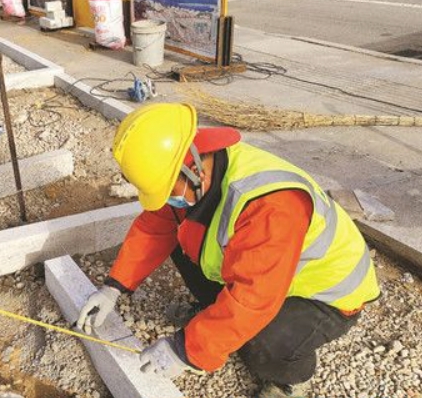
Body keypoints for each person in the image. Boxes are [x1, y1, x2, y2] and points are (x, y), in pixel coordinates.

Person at [76, 103, 380, 398]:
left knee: (262, 341)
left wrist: (185, 350)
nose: (168, 200)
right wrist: (114, 287)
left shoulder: (270, 207)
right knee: (181, 237)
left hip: (325, 296)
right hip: (268, 273)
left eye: (168, 192)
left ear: (194, 170)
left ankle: (290, 380)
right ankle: (216, 319)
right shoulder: (195, 172)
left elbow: (253, 299)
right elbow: (156, 226)